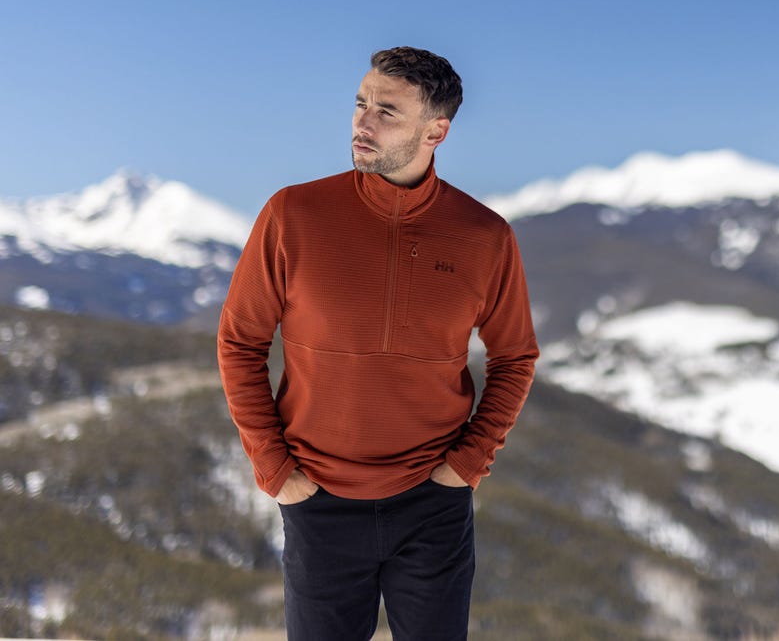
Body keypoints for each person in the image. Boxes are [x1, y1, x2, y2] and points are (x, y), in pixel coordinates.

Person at [217, 47, 539, 641]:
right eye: (360, 103)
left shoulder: (484, 236)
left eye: (386, 111)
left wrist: (467, 464)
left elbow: (515, 356)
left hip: (433, 504)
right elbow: (240, 341)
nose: (362, 122)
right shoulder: (293, 214)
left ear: (435, 131)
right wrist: (275, 468)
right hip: (318, 501)